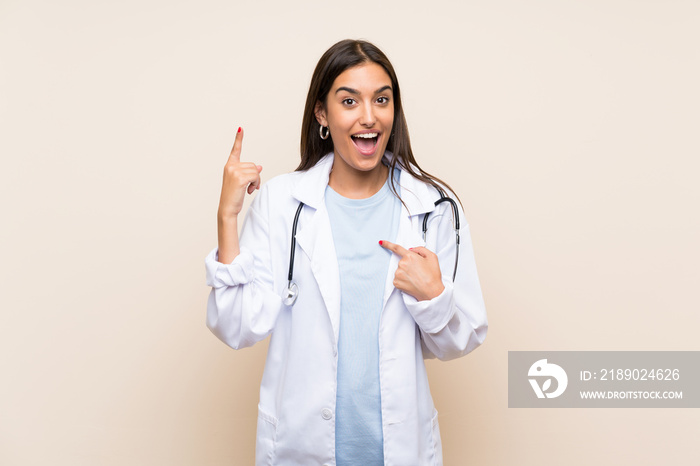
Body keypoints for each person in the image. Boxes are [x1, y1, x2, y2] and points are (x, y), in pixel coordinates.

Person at [205, 39, 487, 466]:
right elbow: (237, 326)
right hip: (302, 448)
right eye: (349, 101)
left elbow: (460, 340)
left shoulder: (434, 207)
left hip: (399, 450)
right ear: (322, 113)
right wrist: (227, 217)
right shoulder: (282, 203)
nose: (369, 117)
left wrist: (434, 296)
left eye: (382, 99)